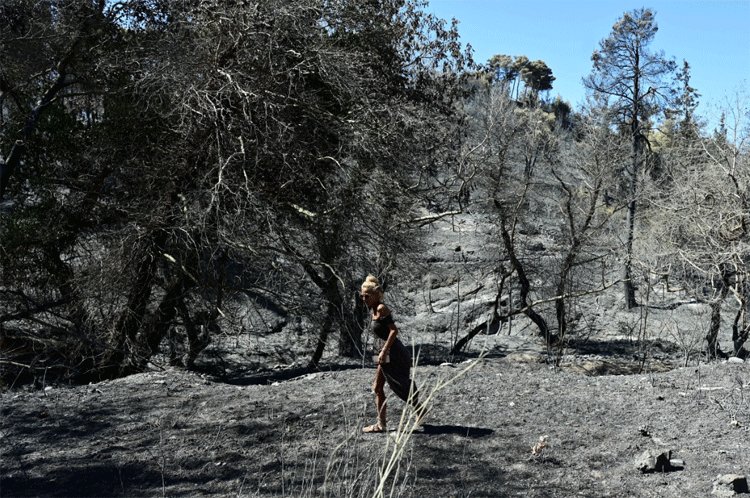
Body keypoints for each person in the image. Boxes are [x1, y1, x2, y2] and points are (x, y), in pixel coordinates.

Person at [360, 275, 427, 433]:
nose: (364, 299)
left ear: (376, 295)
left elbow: (393, 331)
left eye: (367, 296)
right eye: (361, 296)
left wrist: (383, 351)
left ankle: (383, 424)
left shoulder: (381, 309)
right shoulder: (373, 308)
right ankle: (384, 423)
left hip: (391, 353)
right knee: (379, 387)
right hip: (381, 351)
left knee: (394, 384)